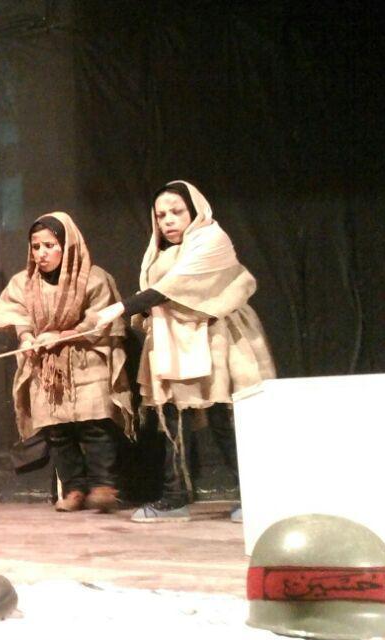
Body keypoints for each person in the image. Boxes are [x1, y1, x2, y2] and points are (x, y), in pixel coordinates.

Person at [95, 181, 275, 522]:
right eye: (160, 215)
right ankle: (175, 497)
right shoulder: (157, 253)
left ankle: (256, 496)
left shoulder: (211, 240)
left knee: (223, 418)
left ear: (194, 211)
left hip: (215, 337)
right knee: (173, 418)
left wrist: (121, 308)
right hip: (174, 341)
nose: (168, 220)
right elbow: (161, 293)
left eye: (176, 212)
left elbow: (176, 285)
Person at [0, 212, 134, 513]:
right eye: (36, 246)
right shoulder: (24, 282)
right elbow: (18, 315)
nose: (41, 253)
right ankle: (74, 488)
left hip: (86, 359)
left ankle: (103, 485)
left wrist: (64, 335)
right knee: (58, 432)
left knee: (94, 425)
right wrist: (27, 337)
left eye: (49, 245)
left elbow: (101, 319)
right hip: (48, 367)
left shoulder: (93, 277)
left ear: (67, 246)